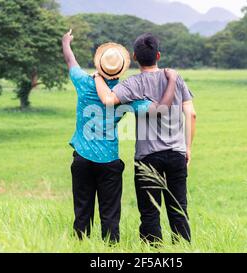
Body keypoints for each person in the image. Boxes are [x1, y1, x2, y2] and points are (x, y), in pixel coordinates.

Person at [61, 29, 179, 243]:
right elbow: (161, 110)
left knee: (82, 211)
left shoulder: (83, 82)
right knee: (110, 214)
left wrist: (66, 42)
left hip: (82, 157)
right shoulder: (125, 93)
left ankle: (80, 245)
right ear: (123, 67)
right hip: (109, 161)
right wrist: (171, 80)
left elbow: (70, 61)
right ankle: (111, 250)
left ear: (99, 65)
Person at [94, 33, 197, 244]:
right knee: (179, 208)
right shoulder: (174, 78)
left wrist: (97, 76)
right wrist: (187, 148)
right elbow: (192, 114)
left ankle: (152, 253)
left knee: (149, 212)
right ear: (158, 55)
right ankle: (182, 250)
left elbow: (109, 99)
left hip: (147, 157)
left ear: (134, 57)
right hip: (176, 153)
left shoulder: (132, 83)